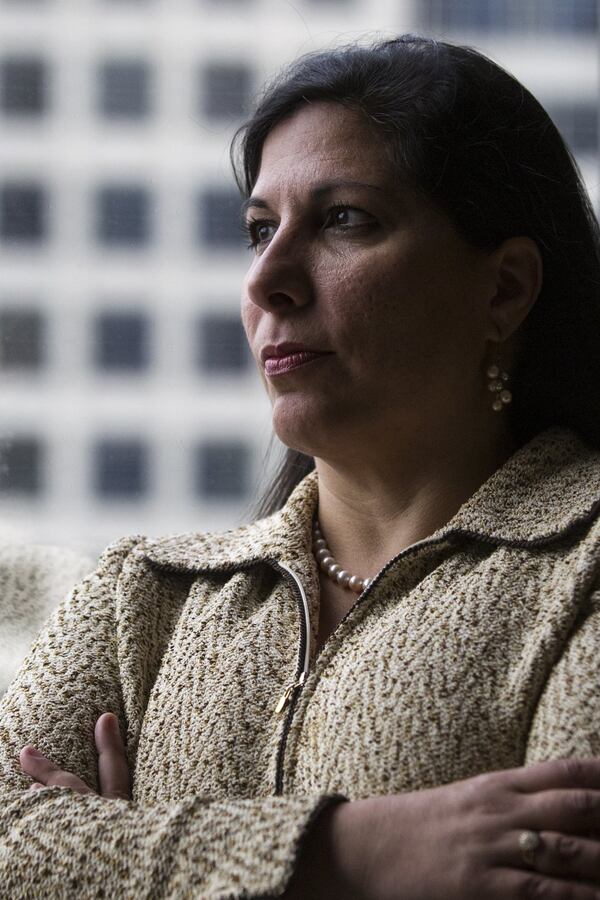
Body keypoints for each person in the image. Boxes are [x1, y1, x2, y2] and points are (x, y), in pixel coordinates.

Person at [1, 33, 600, 899]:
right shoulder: (147, 597)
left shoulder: (580, 570)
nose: (268, 280)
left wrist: (113, 854)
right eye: (257, 231)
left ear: (503, 288)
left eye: (344, 219)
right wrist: (351, 851)